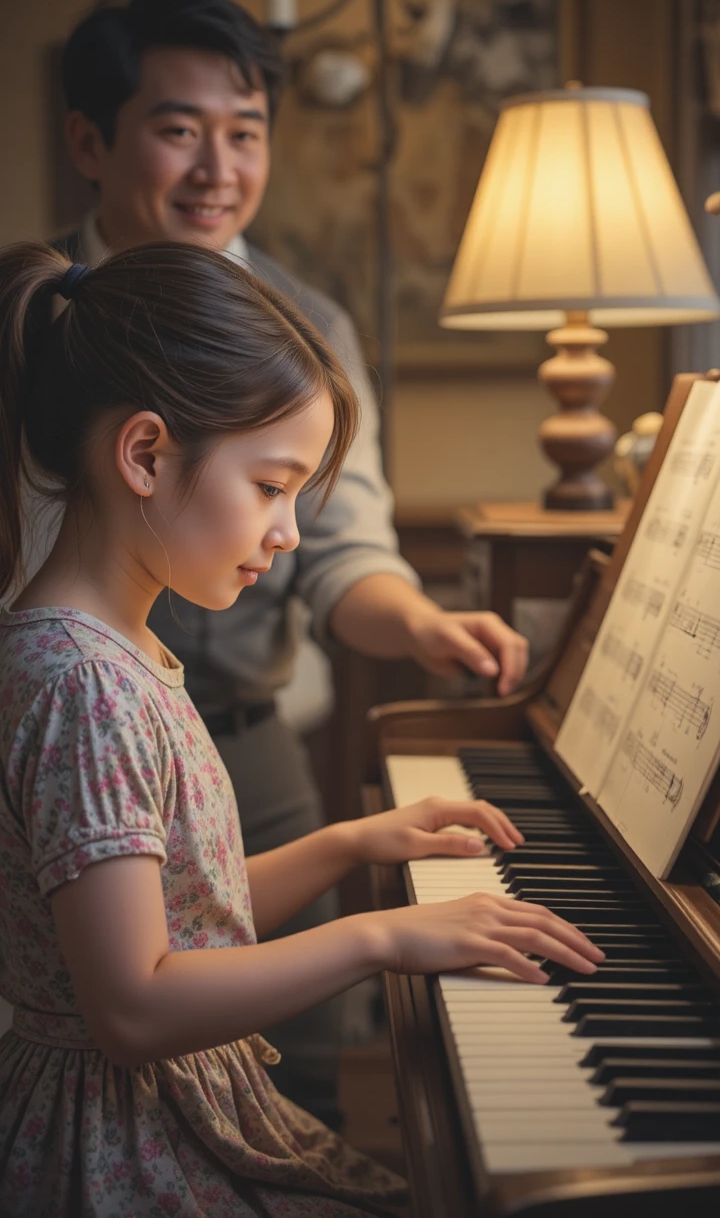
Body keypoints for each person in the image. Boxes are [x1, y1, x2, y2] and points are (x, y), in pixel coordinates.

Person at [0, 241, 603, 1218]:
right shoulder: (84, 689)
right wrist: (381, 937)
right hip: (120, 1145)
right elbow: (136, 1005)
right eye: (271, 486)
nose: (287, 533)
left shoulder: (112, 650)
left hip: (164, 1109)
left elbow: (183, 923)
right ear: (146, 454)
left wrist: (350, 845)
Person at [46, 0, 530, 1123]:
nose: (220, 167)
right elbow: (127, 1008)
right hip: (76, 754)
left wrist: (418, 626)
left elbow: (343, 553)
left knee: (297, 1082)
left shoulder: (310, 324)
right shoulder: (38, 330)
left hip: (244, 756)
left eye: (246, 131)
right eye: (179, 129)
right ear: (89, 142)